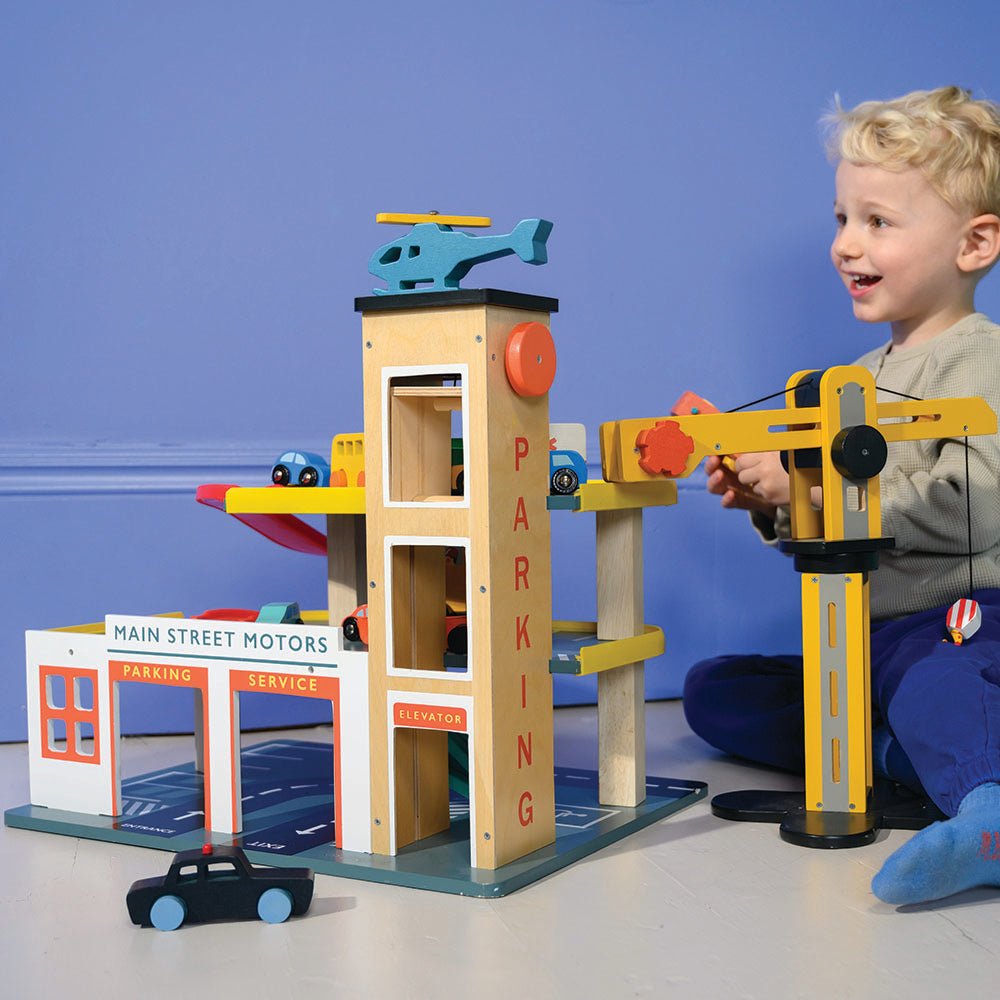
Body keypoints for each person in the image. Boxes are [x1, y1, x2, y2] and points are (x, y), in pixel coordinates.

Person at [682, 86, 1000, 905]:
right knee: (715, 689)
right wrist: (773, 500)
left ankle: (988, 812)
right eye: (841, 219)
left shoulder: (980, 362)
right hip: (864, 639)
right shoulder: (853, 381)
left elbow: (978, 499)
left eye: (879, 222)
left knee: (939, 688)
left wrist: (812, 485)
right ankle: (900, 754)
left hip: (962, 622)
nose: (847, 245)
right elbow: (833, 533)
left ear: (974, 244)